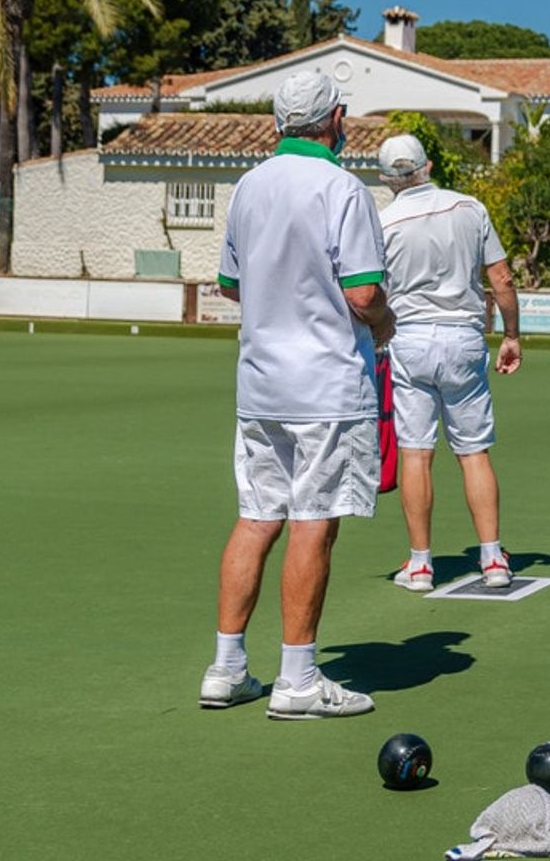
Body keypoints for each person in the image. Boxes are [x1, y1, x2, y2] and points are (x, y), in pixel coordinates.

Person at [199, 71, 395, 720]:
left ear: (279, 121)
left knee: (257, 518)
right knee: (315, 521)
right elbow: (364, 293)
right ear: (335, 118)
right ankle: (299, 679)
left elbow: (231, 284)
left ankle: (227, 669)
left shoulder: (249, 186)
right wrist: (385, 323)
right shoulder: (343, 187)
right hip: (325, 385)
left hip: (260, 383)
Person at [375, 133, 522, 593]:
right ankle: (493, 558)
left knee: (417, 454)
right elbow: (501, 277)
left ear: (387, 179)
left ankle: (420, 565)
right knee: (473, 451)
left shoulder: (382, 222)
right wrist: (513, 335)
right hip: (463, 338)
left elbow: (371, 292)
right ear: (429, 165)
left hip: (409, 340)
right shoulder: (469, 207)